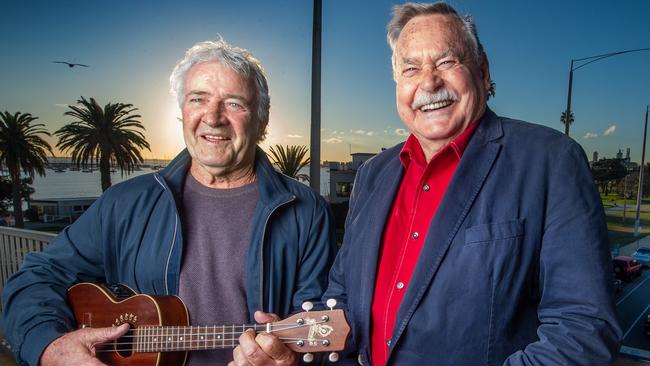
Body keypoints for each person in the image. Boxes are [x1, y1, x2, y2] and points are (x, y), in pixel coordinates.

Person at [234, 2, 622, 365]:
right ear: (397, 84)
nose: (429, 83)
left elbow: (583, 329)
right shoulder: (372, 176)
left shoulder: (550, 160)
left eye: (447, 61)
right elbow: (344, 306)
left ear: (483, 72)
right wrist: (290, 348)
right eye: (410, 69)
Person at [1, 39, 336, 366]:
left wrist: (287, 360)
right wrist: (50, 347)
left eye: (235, 103)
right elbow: (36, 278)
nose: (213, 117)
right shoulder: (125, 203)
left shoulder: (306, 212)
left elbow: (319, 330)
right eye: (198, 99)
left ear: (262, 121)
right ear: (181, 112)